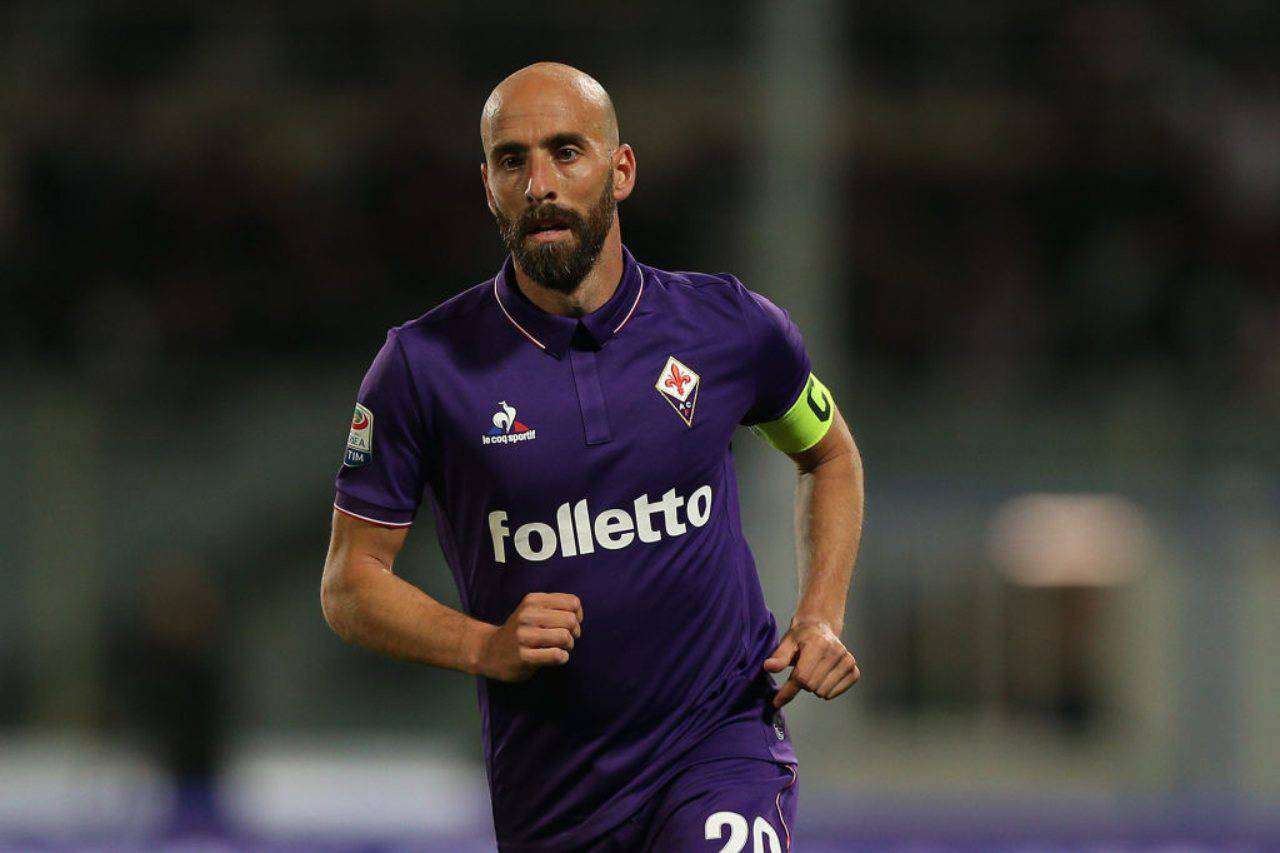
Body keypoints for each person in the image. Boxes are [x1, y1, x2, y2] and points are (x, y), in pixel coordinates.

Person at [321, 62, 864, 852]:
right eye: (513, 160)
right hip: (556, 790)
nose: (539, 182)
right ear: (487, 186)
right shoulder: (422, 367)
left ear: (621, 170)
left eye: (565, 151)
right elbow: (349, 583)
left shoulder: (730, 327)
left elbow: (830, 456)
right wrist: (485, 643)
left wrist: (820, 612)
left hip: (720, 744)